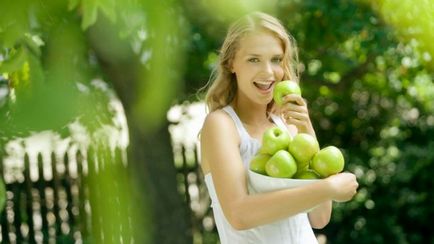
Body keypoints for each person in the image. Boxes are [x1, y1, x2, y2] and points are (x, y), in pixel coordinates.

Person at [199, 11, 359, 244]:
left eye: (275, 59)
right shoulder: (221, 125)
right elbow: (240, 214)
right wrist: (328, 188)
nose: (268, 72)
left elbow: (319, 217)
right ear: (231, 63)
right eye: (254, 59)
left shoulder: (287, 125)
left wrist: (307, 131)